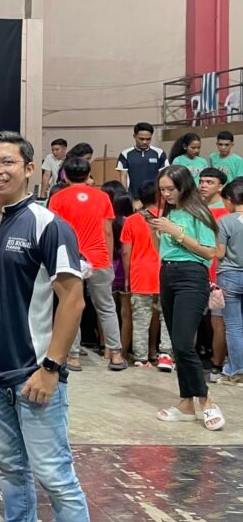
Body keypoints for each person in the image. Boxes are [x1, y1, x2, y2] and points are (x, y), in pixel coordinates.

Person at [0, 131, 94, 522]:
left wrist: (51, 368)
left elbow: (73, 300)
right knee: (10, 468)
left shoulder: (49, 225)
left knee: (55, 475)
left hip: (34, 375)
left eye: (6, 162)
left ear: (28, 169)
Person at [149, 165, 224, 431]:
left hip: (192, 276)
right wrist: (155, 231)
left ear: (184, 186)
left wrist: (175, 232)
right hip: (167, 273)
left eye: (171, 189)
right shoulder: (169, 212)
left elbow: (209, 252)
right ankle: (186, 404)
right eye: (162, 190)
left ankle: (206, 401)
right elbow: (162, 250)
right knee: (177, 343)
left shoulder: (199, 212)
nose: (166, 194)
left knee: (183, 343)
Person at [49, 157, 127, 371]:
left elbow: (55, 232)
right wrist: (108, 260)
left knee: (70, 306)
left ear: (65, 176)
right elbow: (108, 231)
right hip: (100, 259)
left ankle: (73, 357)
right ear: (88, 175)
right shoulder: (102, 197)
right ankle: (116, 355)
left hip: (70, 260)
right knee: (107, 307)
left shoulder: (58, 198)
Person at [120, 181, 173, 370]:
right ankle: (166, 355)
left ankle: (141, 358)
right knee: (167, 318)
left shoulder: (132, 220)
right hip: (166, 273)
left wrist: (127, 277)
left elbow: (126, 252)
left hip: (140, 275)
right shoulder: (169, 219)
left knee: (141, 319)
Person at [200, 167, 230, 382]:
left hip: (221, 270)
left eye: (209, 182)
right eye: (201, 181)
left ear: (221, 187)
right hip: (199, 266)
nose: (203, 185)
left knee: (219, 319)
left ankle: (219, 359)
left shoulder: (228, 212)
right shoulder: (196, 208)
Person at [101, 180, 134, 361]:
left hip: (107, 265)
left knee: (105, 309)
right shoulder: (130, 221)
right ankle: (122, 351)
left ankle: (106, 348)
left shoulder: (106, 221)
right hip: (125, 268)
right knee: (126, 313)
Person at [215, 177, 243, 385]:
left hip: (230, 275)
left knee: (233, 326)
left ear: (231, 199)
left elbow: (220, 253)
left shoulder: (225, 221)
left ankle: (237, 371)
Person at [117, 122, 168, 198]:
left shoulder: (159, 153)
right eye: (141, 139)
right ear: (134, 136)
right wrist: (124, 196)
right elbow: (123, 177)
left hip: (155, 197)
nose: (144, 142)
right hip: (133, 197)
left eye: (148, 139)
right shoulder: (125, 154)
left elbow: (164, 175)